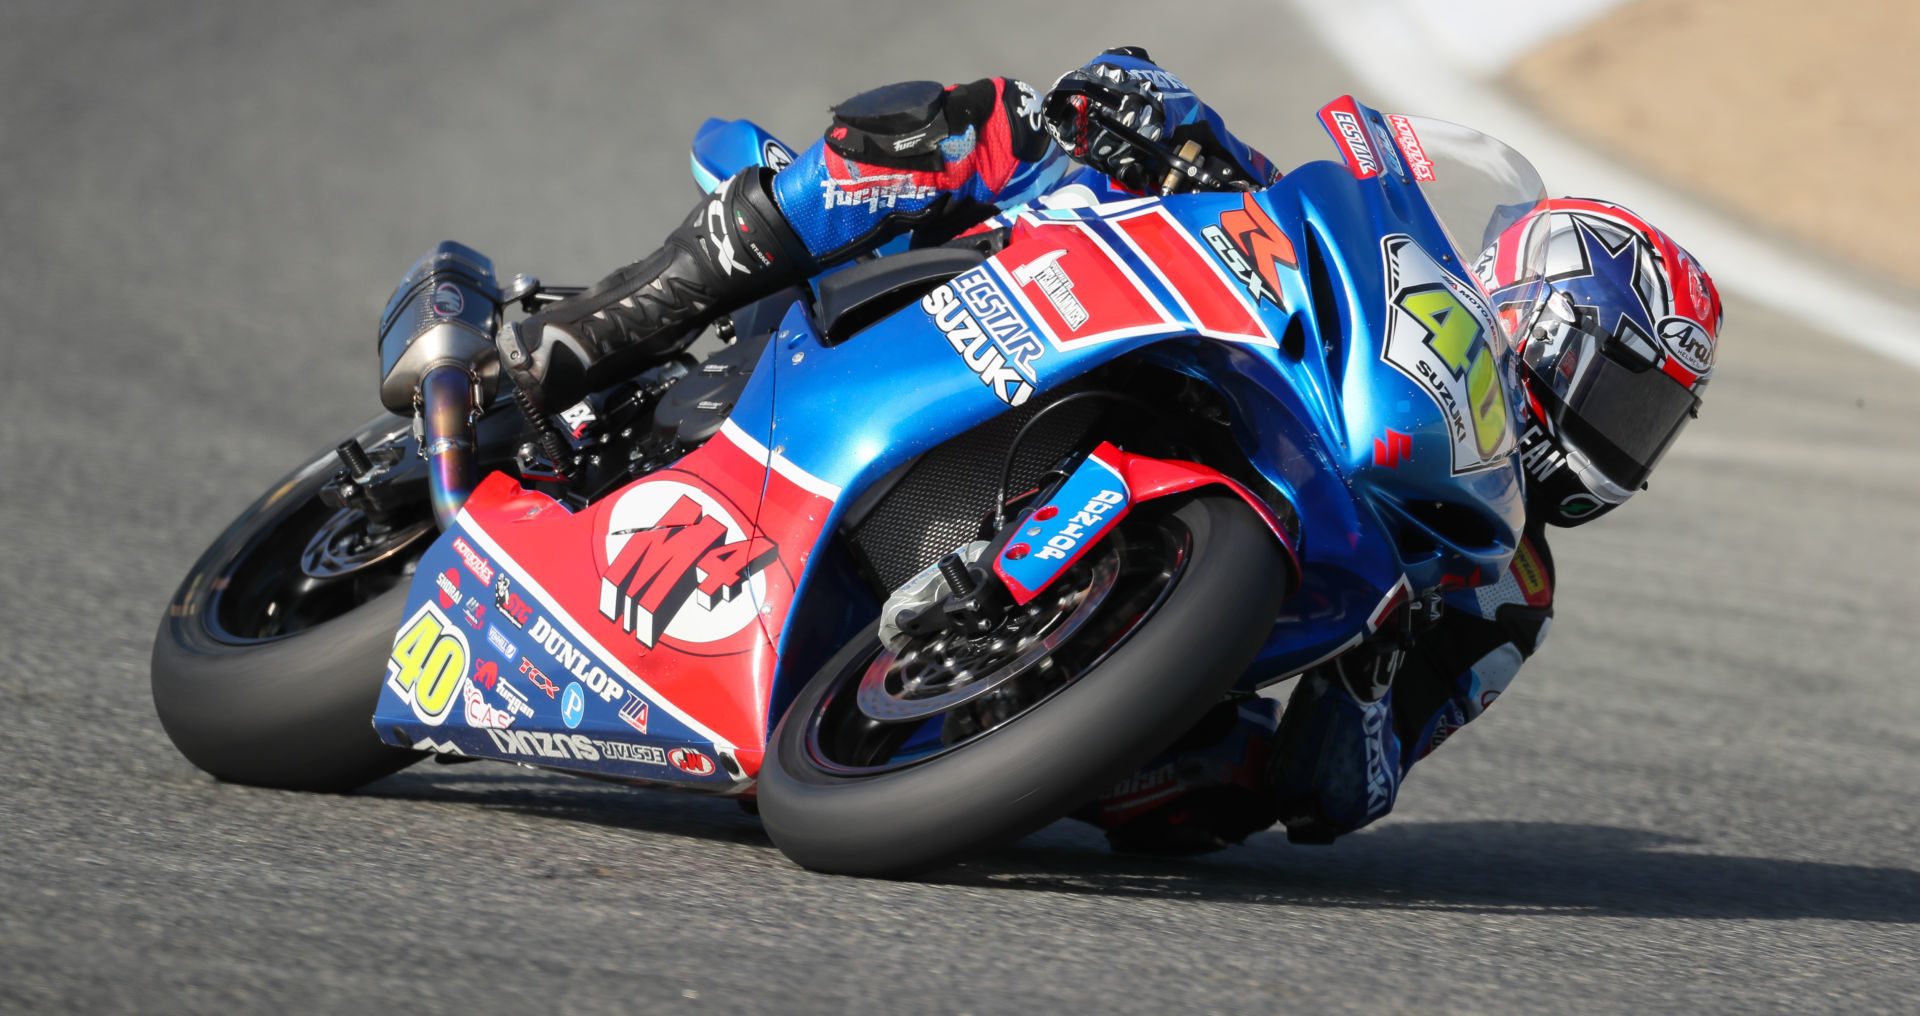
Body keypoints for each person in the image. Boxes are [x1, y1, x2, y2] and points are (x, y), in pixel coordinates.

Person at [494, 48, 1724, 854]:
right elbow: (1168, 116)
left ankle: (969, 716)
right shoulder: (1405, 306)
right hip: (1124, 343)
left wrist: (1365, 691)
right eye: (1613, 393)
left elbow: (1355, 781)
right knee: (983, 127)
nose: (1615, 445)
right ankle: (594, 328)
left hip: (1210, 606)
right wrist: (1150, 123)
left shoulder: (1508, 593)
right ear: (1533, 315)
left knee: (1216, 794)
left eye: (1645, 425)